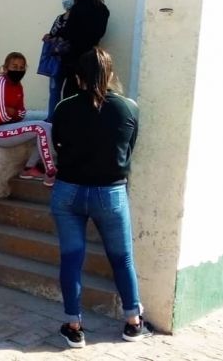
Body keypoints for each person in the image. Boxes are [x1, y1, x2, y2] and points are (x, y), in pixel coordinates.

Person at [51, 47, 150, 348]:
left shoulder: (64, 107)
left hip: (68, 190)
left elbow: (58, 145)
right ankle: (133, 322)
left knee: (71, 258)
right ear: (110, 74)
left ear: (78, 76)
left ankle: (74, 326)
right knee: (122, 258)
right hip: (110, 192)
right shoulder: (128, 108)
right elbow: (129, 148)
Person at [0, 52, 56, 186]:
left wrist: (12, 112)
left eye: (21, 67)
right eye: (14, 67)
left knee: (48, 126)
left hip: (6, 126)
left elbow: (21, 113)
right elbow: (1, 116)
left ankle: (29, 168)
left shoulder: (18, 86)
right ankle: (50, 172)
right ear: (5, 68)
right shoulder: (0, 84)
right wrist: (14, 113)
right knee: (40, 128)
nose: (18, 70)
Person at [60, 0, 110, 98]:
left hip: (75, 55)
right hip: (93, 55)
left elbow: (68, 32)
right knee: (92, 89)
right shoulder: (103, 9)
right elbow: (101, 32)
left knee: (71, 90)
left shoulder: (78, 8)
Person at [41, 0, 77, 121]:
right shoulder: (59, 18)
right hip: (56, 60)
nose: (66, 0)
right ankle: (52, 118)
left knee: (70, 92)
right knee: (54, 90)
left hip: (71, 60)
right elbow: (52, 34)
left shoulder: (78, 18)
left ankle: (67, 120)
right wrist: (48, 37)